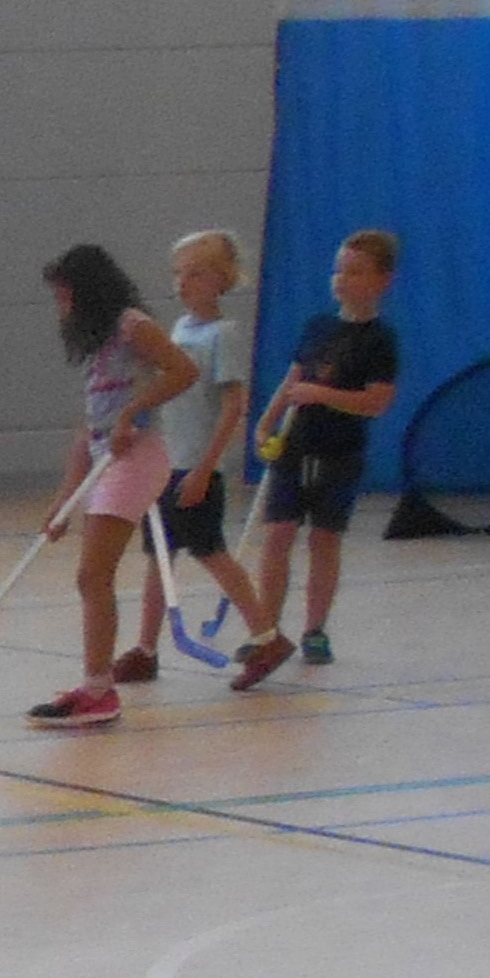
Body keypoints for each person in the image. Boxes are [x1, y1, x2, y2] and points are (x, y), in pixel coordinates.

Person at [28, 243, 196, 731]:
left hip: (138, 456)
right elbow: (88, 431)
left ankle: (99, 693)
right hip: (107, 458)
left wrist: (132, 412)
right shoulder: (98, 344)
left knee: (93, 574)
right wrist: (65, 499)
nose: (61, 308)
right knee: (91, 577)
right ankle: (95, 685)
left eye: (64, 296)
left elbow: (184, 370)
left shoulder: (132, 325)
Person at [243, 227, 403, 685]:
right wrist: (266, 423)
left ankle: (315, 630)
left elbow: (377, 401)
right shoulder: (318, 327)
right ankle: (267, 631)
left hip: (340, 451)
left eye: (355, 272)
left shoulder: (381, 340)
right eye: (339, 270)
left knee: (324, 539)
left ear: (382, 281)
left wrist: (324, 395)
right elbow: (293, 380)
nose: (341, 279)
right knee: (278, 534)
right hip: (295, 446)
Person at [156, 228, 277, 664]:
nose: (182, 283)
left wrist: (205, 468)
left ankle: (265, 633)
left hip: (196, 465)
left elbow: (233, 406)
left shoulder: (223, 334)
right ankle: (144, 647)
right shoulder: (178, 329)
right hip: (167, 461)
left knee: (211, 552)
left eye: (194, 274)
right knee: (159, 554)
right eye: (178, 274)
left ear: (220, 279)